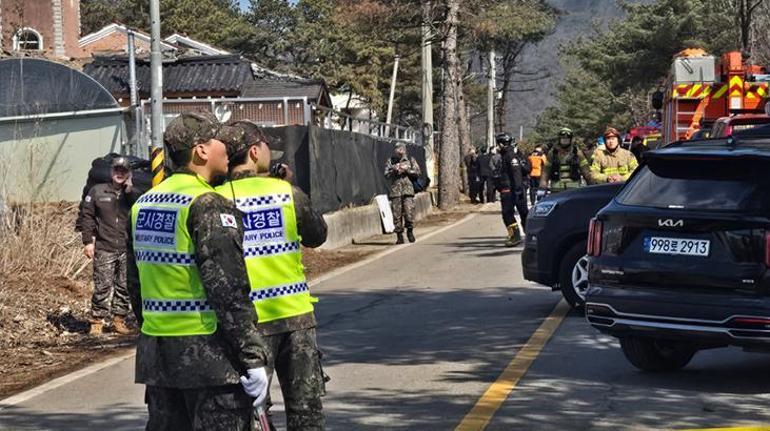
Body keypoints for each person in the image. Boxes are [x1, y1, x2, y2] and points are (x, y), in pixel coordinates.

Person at [126, 112, 270, 430]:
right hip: (211, 361)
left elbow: (135, 286)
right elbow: (228, 290)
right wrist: (252, 357)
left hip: (160, 358)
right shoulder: (206, 204)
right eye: (221, 143)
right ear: (201, 151)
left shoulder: (143, 205)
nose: (228, 151)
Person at [215, 120, 328, 430]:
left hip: (246, 325)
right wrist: (289, 185)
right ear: (254, 151)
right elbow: (317, 235)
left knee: (253, 411)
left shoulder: (214, 200)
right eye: (266, 146)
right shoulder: (286, 194)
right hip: (294, 317)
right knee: (306, 410)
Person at [79, 156, 140, 335]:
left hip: (126, 247)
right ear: (111, 171)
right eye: (117, 170)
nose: (119, 174)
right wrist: (88, 242)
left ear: (128, 174)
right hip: (105, 246)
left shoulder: (133, 194)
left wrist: (130, 191)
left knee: (124, 286)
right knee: (103, 285)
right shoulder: (97, 191)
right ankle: (97, 321)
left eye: (124, 171)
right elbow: (87, 217)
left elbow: (139, 213)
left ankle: (119, 320)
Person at [492, 133, 531, 247]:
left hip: (511, 189)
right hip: (511, 188)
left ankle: (516, 236)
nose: (497, 147)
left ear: (502, 144)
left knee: (508, 213)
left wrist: (518, 188)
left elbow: (516, 173)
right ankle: (528, 235)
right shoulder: (506, 155)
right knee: (523, 213)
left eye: (498, 144)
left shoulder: (510, 156)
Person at [538, 127, 592, 200]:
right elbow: (545, 172)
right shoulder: (553, 153)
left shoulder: (577, 153)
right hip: (556, 192)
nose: (565, 141)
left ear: (570, 140)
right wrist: (542, 188)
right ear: (559, 139)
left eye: (567, 139)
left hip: (574, 191)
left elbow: (586, 172)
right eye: (563, 139)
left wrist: (591, 186)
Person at [384, 142, 421, 244]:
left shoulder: (410, 160)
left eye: (401, 149)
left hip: (407, 190)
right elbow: (386, 174)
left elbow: (417, 172)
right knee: (397, 215)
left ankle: (410, 230)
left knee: (409, 213)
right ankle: (399, 235)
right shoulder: (391, 161)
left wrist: (407, 170)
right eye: (397, 149)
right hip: (396, 191)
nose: (399, 151)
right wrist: (394, 170)